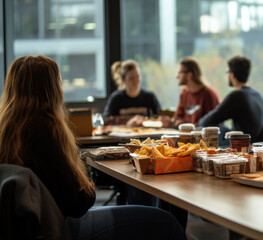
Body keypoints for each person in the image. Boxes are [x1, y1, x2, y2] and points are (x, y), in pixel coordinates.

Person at [0, 55, 186, 240]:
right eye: (60, 82)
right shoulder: (43, 128)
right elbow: (79, 203)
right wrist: (83, 177)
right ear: (52, 89)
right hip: (60, 226)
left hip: (34, 225)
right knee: (166, 222)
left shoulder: (7, 128)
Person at [198, 56, 263, 141]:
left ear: (232, 75)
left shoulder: (237, 96)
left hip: (244, 147)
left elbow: (206, 122)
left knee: (208, 129)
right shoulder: (257, 94)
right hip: (259, 144)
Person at [103, 60, 161, 126]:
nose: (136, 81)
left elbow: (160, 118)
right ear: (123, 80)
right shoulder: (116, 98)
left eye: (138, 76)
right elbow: (106, 120)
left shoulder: (150, 97)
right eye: (131, 78)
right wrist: (128, 122)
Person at [172, 57, 220, 127]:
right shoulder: (184, 93)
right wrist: (171, 122)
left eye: (180, 72)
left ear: (189, 74)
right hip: (184, 135)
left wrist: (187, 126)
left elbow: (212, 124)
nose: (177, 76)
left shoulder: (209, 94)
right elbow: (178, 117)